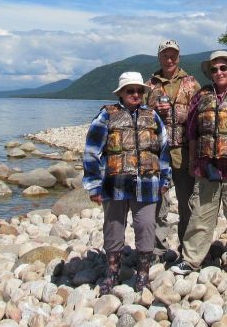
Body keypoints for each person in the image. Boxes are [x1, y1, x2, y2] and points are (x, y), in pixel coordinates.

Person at [171, 51, 227, 275]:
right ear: (209, 73)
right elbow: (192, 132)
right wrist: (193, 159)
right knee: (201, 213)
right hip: (205, 165)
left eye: (224, 68)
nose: (219, 72)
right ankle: (192, 258)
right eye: (214, 69)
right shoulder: (201, 96)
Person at [83, 72, 172, 294]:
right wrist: (94, 185)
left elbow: (163, 149)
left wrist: (165, 178)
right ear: (121, 93)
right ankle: (112, 273)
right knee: (113, 228)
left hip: (148, 184)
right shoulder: (106, 115)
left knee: (146, 226)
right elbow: (91, 152)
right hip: (114, 185)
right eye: (130, 90)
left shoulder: (152, 116)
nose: (135, 94)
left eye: (139, 90)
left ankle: (143, 274)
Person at [145, 39, 201, 256]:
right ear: (159, 57)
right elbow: (140, 115)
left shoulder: (191, 83)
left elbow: (200, 117)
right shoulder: (149, 85)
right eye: (165, 56)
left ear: (179, 57)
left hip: (185, 153)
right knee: (158, 204)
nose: (169, 60)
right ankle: (156, 251)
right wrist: (153, 109)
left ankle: (187, 249)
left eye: (173, 56)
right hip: (156, 154)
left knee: (188, 204)